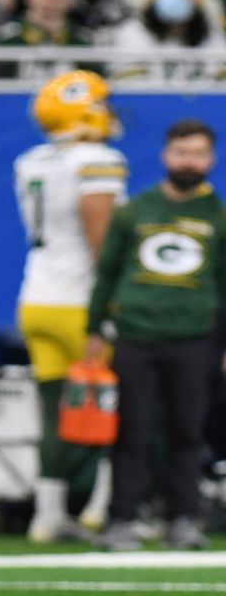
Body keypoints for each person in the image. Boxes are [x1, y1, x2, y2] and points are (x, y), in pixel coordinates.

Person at [88, 118, 224, 552]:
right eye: (182, 152)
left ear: (211, 159)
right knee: (132, 430)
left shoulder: (218, 216)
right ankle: (121, 519)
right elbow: (107, 272)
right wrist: (93, 329)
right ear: (166, 155)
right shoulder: (136, 210)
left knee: (188, 431)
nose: (189, 161)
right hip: (136, 334)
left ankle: (183, 519)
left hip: (195, 335)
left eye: (198, 153)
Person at [15, 70, 127, 544]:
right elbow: (100, 237)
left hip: (36, 295)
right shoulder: (98, 158)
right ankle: (98, 510)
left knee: (51, 410)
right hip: (80, 300)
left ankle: (47, 513)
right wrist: (113, 301)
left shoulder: (31, 160)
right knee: (103, 405)